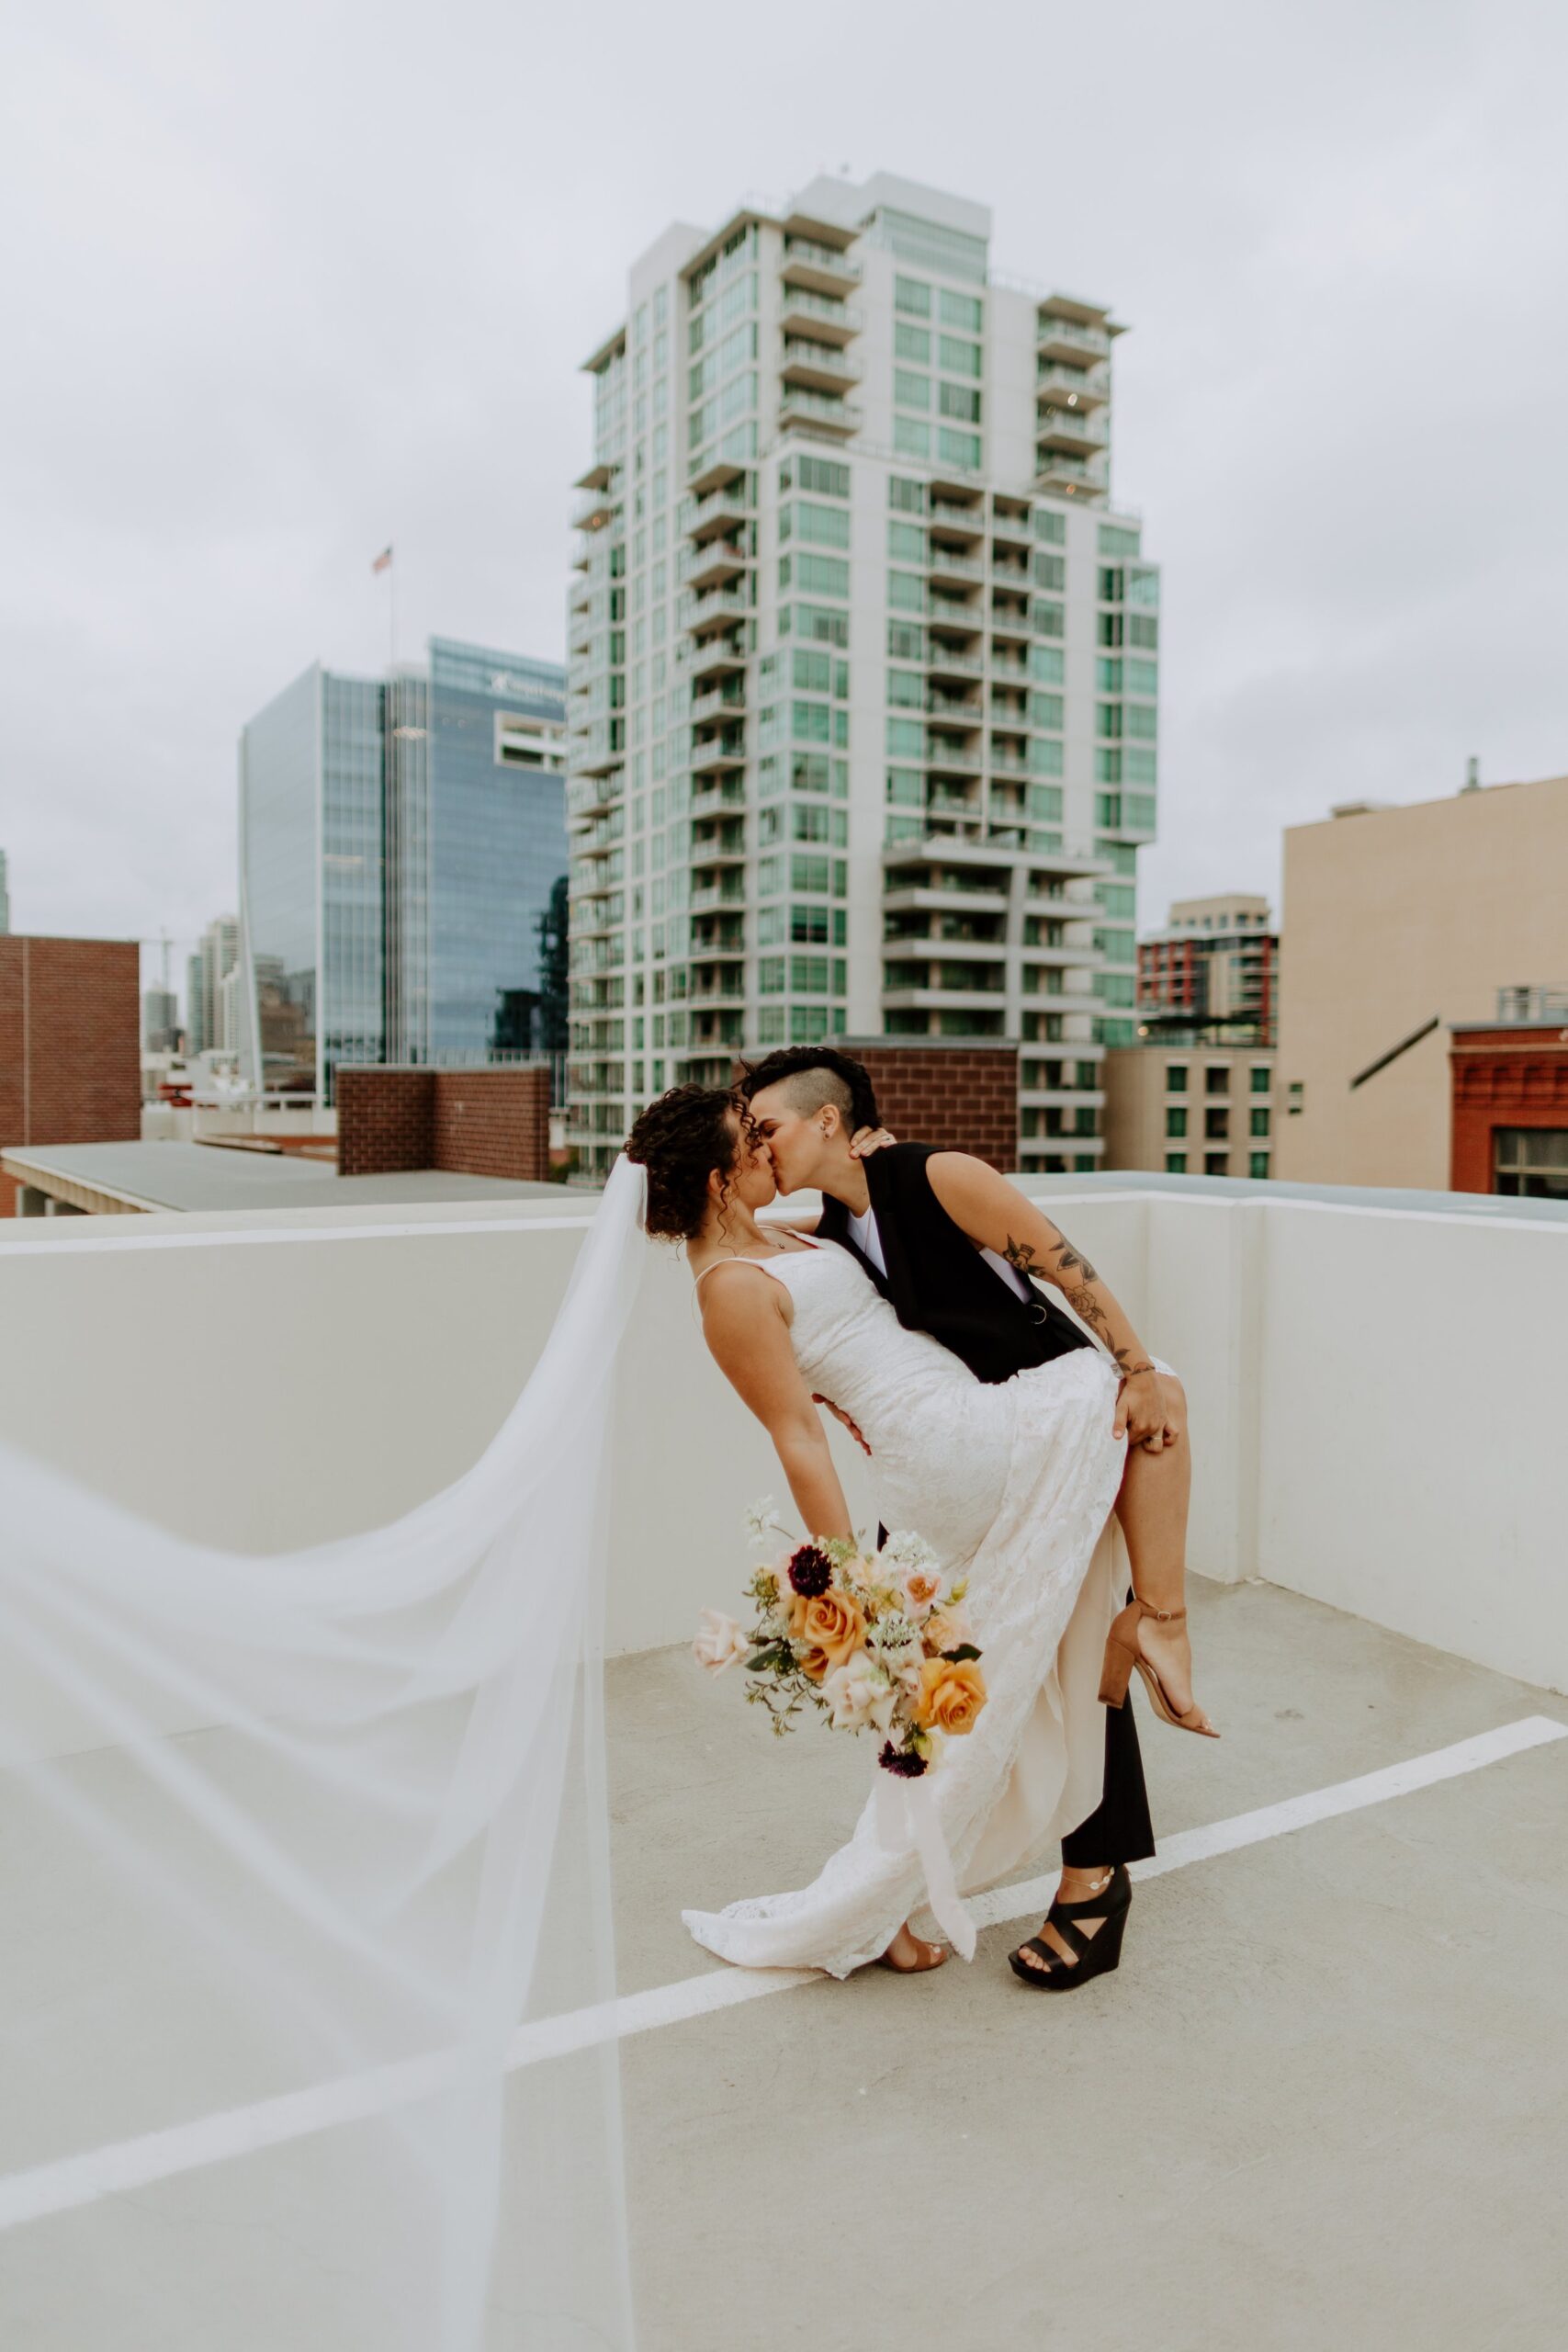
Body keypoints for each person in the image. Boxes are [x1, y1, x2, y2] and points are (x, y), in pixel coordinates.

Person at [624, 1080, 1214, 1993]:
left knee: (940, 1714)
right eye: (747, 1138)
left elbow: (865, 1246)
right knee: (1146, 1386)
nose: (761, 1147)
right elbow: (800, 1442)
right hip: (952, 1449)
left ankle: (887, 1910)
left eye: (765, 1125)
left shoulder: (795, 1229)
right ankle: (1162, 1620)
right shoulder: (730, 1289)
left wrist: (871, 1163)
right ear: (714, 1176)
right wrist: (849, 1587)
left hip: (943, 1458)